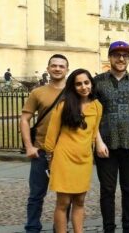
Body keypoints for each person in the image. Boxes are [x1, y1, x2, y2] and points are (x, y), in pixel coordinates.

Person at [94, 41, 129, 233]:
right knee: (108, 191)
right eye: (117, 55)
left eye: (125, 56)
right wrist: (98, 141)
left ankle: (128, 227)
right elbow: (91, 113)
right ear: (110, 57)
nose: (121, 59)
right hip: (106, 145)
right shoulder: (98, 82)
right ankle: (108, 228)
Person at [45, 68, 104, 233]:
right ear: (73, 86)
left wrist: (95, 146)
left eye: (86, 82)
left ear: (91, 83)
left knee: (79, 201)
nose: (84, 87)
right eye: (78, 84)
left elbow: (93, 133)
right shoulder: (64, 105)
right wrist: (50, 161)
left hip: (84, 160)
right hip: (63, 160)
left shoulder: (98, 106)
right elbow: (51, 135)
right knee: (63, 203)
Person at [20, 54, 69, 233]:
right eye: (54, 65)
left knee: (65, 197)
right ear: (48, 69)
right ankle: (32, 228)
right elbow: (25, 119)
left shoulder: (74, 92)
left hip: (65, 153)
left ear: (67, 70)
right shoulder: (37, 92)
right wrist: (29, 146)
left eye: (61, 66)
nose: (57, 69)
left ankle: (61, 228)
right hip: (41, 151)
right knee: (36, 195)